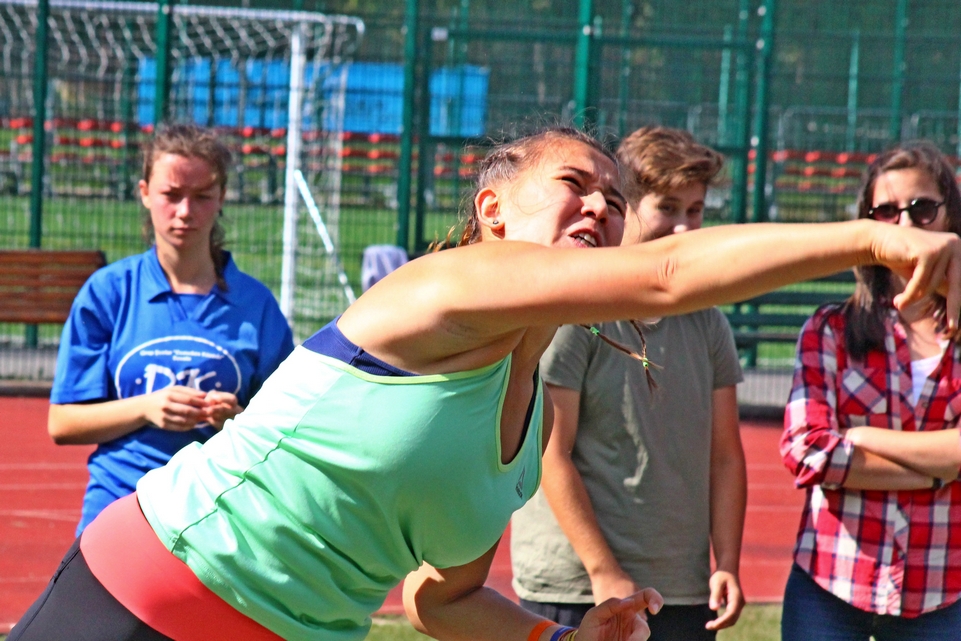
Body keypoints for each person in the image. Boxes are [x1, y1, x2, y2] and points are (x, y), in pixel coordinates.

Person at [11, 127, 961, 641]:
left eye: (613, 199)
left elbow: (441, 596)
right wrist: (873, 237)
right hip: (153, 589)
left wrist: (559, 640)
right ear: (492, 210)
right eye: (574, 184)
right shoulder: (447, 288)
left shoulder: (523, 420)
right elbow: (666, 274)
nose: (600, 206)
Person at [511, 126, 746, 640]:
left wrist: (726, 561)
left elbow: (726, 455)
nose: (685, 227)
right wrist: (603, 571)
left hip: (681, 588)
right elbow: (551, 453)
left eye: (696, 210)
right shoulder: (575, 315)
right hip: (576, 587)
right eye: (668, 207)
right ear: (625, 206)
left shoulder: (708, 322)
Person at [47, 123, 294, 535]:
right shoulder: (109, 292)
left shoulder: (257, 305)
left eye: (202, 196)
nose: (185, 211)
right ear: (145, 193)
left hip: (219, 516)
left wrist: (236, 421)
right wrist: (146, 407)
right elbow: (62, 423)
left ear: (222, 198)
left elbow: (285, 431)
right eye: (172, 194)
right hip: (120, 508)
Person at [779, 141, 961, 641]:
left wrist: (862, 438)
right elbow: (807, 452)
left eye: (922, 208)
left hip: (943, 592)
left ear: (950, 215)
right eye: (885, 212)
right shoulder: (830, 329)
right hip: (831, 586)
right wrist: (939, 470)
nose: (904, 225)